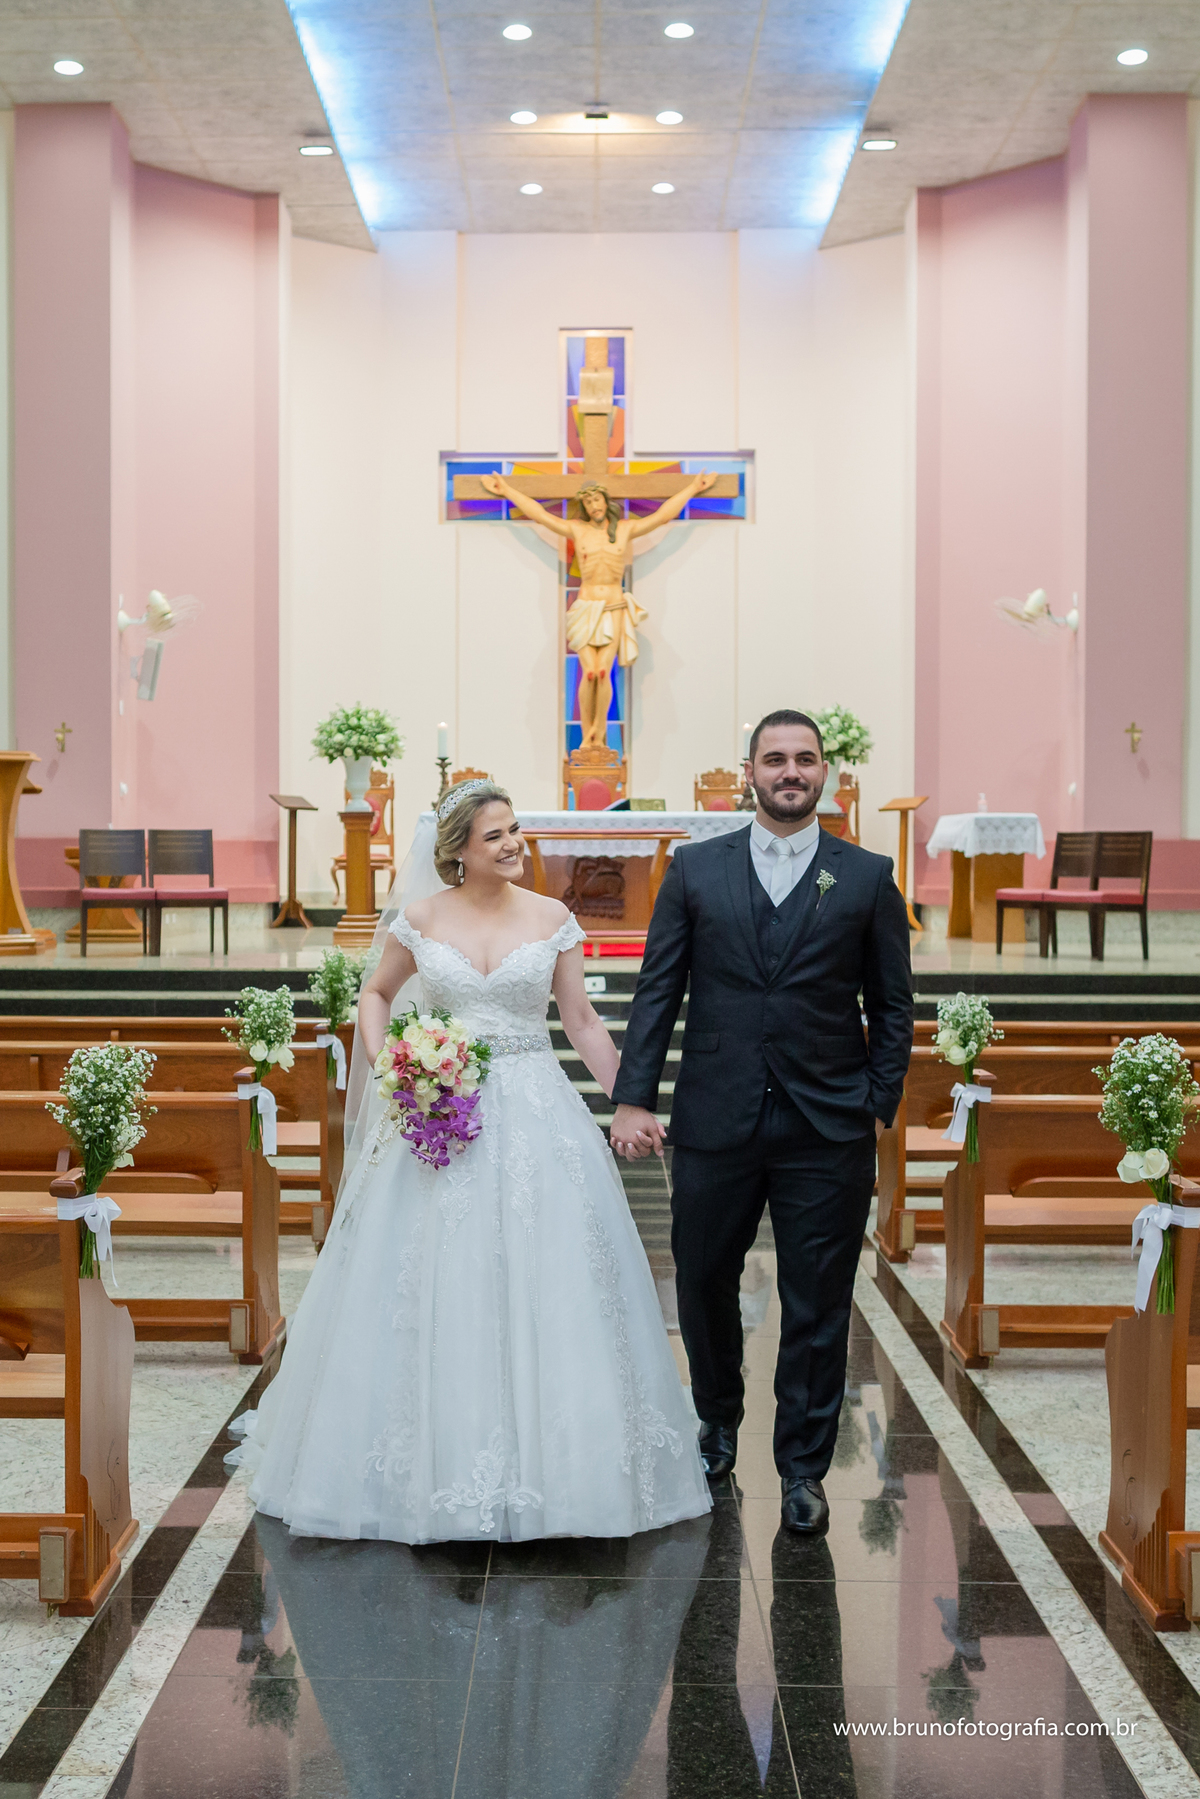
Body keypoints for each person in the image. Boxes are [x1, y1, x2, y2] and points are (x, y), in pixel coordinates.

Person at [230, 779, 711, 1543]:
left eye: (515, 829)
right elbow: (377, 994)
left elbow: (582, 1022)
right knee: (433, 1272)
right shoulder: (421, 918)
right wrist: (395, 1066)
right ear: (457, 850)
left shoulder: (552, 918)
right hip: (440, 1111)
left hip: (536, 1110)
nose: (514, 843)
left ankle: (561, 1462)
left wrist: (632, 1098)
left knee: (549, 1274)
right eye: (496, 835)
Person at [609, 711, 913, 1535]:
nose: (790, 771)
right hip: (717, 1112)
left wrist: (876, 1099)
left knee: (818, 1296)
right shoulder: (695, 869)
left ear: (825, 774)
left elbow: (892, 1003)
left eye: (804, 759)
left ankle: (803, 1466)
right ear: (749, 771)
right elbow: (658, 988)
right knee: (703, 1276)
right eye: (775, 758)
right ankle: (716, 1421)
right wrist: (634, 1095)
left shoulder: (866, 876)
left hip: (829, 1122)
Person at [480, 470, 715, 748]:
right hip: (586, 607)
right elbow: (540, 516)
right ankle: (586, 732)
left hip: (613, 606)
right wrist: (506, 490)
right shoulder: (577, 530)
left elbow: (662, 516)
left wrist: (693, 488)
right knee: (589, 672)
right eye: (588, 502)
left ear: (606, 500)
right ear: (584, 507)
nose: (594, 506)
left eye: (597, 500)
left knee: (603, 671)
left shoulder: (624, 530)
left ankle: (599, 734)